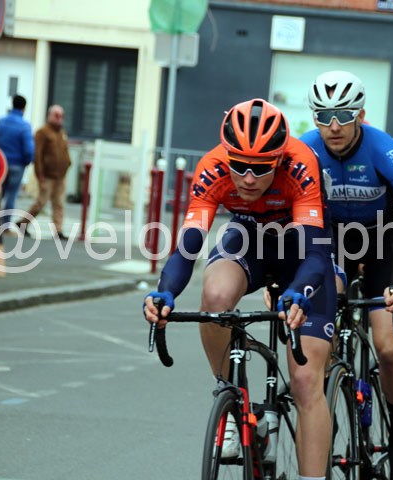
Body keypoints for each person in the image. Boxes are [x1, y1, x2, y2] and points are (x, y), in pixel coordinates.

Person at [144, 99, 335, 480]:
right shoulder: (212, 167)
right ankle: (233, 403)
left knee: (305, 381)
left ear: (279, 159)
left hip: (300, 250)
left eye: (261, 168)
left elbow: (315, 255)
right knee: (215, 296)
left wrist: (300, 290)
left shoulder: (301, 164)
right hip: (248, 238)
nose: (248, 178)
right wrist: (165, 292)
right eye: (240, 165)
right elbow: (188, 246)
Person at [300, 70, 393, 479]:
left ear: (361, 115)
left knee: (387, 346)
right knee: (320, 340)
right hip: (331, 241)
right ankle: (330, 411)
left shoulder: (384, 150)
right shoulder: (305, 149)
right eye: (324, 116)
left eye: (344, 115)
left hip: (384, 242)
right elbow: (286, 219)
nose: (334, 126)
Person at [17, 105, 71, 240]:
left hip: (60, 175)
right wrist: (39, 173)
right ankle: (23, 223)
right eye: (56, 115)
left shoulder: (61, 133)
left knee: (58, 203)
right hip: (47, 175)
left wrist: (68, 163)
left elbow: (65, 151)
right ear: (50, 116)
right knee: (41, 202)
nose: (59, 119)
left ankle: (58, 230)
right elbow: (38, 154)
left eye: (61, 116)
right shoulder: (42, 132)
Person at [0, 94, 34, 229]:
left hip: (1, 164)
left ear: (12, 105)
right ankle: (5, 225)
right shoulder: (24, 126)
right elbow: (29, 149)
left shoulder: (0, 122)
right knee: (11, 195)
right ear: (24, 108)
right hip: (17, 165)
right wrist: (26, 162)